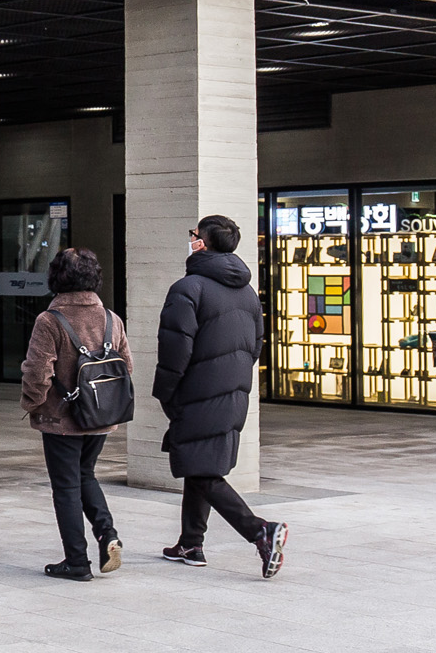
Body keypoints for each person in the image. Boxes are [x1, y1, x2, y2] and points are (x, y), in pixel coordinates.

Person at [154, 213, 288, 579]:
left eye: (194, 234)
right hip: (233, 393)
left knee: (200, 467)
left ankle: (259, 530)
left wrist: (165, 392)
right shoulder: (247, 292)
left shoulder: (188, 288)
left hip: (196, 392)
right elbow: (256, 345)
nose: (191, 238)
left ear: (203, 242)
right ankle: (190, 543)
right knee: (202, 463)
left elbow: (174, 349)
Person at [21, 247, 131, 581]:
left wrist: (32, 404)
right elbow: (125, 367)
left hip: (62, 420)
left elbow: (38, 372)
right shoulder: (111, 318)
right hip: (101, 416)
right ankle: (107, 533)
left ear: (56, 277)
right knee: (86, 475)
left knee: (66, 487)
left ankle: (77, 561)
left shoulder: (49, 321)